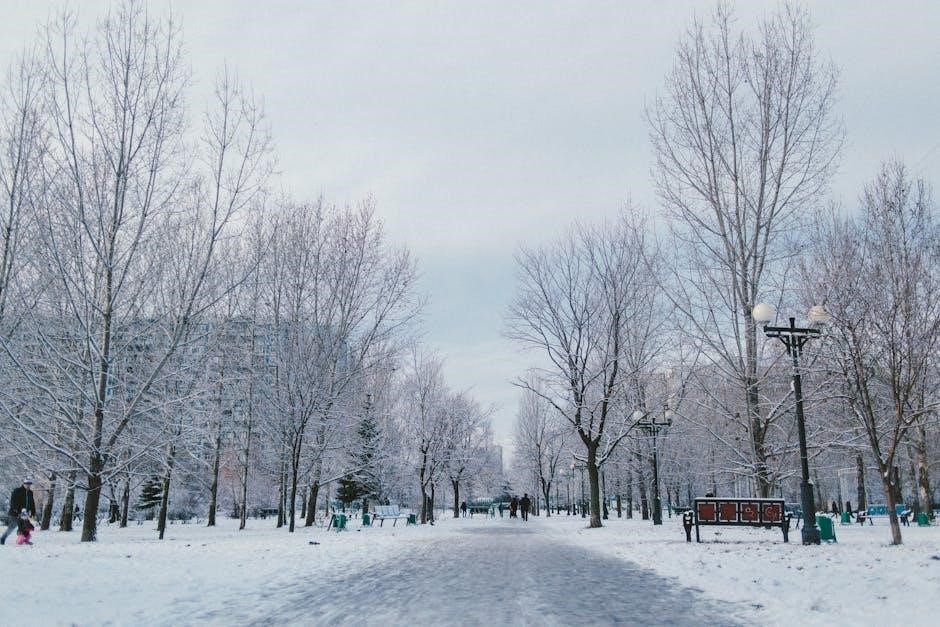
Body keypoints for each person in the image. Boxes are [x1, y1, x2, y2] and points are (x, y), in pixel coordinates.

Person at [2, 479, 36, 545]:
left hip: (24, 513)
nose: (28, 486)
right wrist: (16, 510)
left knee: (25, 526)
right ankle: (3, 538)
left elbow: (32, 503)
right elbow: (13, 501)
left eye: (29, 484)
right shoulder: (17, 490)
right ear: (24, 484)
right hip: (15, 513)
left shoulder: (30, 492)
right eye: (27, 484)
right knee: (12, 527)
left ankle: (25, 540)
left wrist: (33, 512)